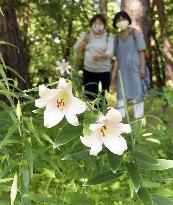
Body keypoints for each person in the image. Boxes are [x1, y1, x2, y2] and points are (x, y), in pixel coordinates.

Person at [112, 11, 147, 119]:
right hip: (122, 71)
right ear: (115, 23)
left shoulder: (135, 33)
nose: (121, 21)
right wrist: (115, 72)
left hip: (135, 69)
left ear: (128, 20)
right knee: (121, 94)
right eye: (118, 20)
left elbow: (142, 51)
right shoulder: (116, 37)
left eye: (123, 19)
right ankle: (120, 118)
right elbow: (117, 57)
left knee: (137, 92)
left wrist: (142, 68)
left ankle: (139, 118)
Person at [73, 14, 114, 101]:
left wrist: (101, 56)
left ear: (104, 25)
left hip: (104, 72)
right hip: (88, 71)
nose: (97, 25)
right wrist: (84, 42)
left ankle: (102, 114)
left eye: (100, 23)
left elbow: (110, 52)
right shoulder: (86, 35)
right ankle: (90, 114)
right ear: (91, 24)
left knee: (102, 97)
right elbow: (76, 49)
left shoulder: (108, 37)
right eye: (95, 23)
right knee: (89, 96)